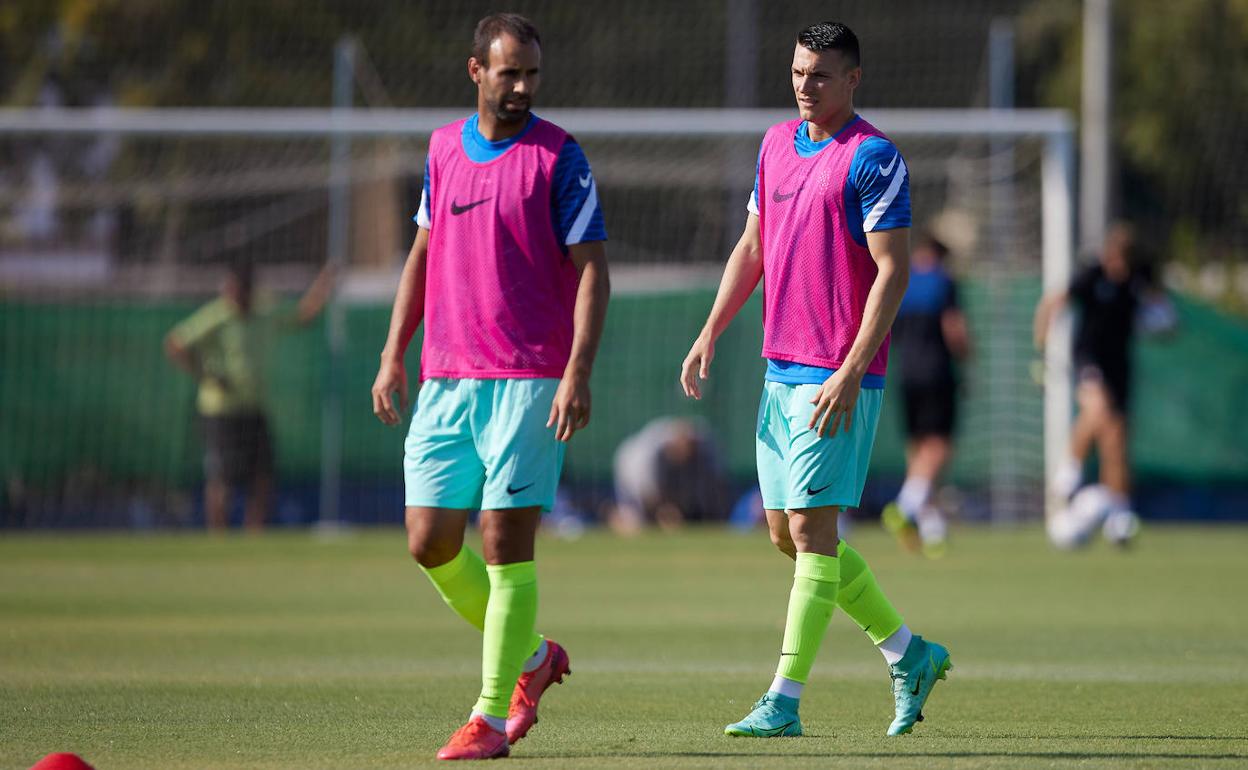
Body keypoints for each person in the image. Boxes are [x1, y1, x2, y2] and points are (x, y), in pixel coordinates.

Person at [680, 21, 952, 738]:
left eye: (822, 74)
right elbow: (752, 245)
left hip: (838, 374)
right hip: (781, 369)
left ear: (853, 78)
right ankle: (908, 653)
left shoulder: (874, 158)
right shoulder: (774, 146)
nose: (806, 85)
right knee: (787, 534)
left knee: (810, 529)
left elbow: (891, 271)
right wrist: (712, 327)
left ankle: (785, 699)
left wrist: (852, 367)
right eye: (799, 71)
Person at [368, 13, 609, 761]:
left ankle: (491, 718)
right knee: (429, 542)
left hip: (530, 377)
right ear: (476, 72)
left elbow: (594, 269)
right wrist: (392, 354)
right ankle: (534, 658)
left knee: (505, 541)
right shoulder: (443, 150)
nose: (522, 87)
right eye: (509, 73)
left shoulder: (559, 158)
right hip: (447, 376)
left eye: (532, 74)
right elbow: (423, 254)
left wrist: (577, 369)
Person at [164, 259, 333, 532]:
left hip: (254, 407)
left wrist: (324, 284)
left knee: (263, 475)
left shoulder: (264, 314)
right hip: (220, 410)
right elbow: (175, 343)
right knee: (222, 478)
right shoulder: (216, 316)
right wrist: (208, 376)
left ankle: (253, 534)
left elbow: (303, 316)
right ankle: (218, 536)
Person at [1033, 222, 1172, 543]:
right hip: (1088, 358)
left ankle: (1119, 512)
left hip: (1119, 363)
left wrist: (1163, 321)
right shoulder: (1092, 274)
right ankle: (1068, 474)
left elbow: (1163, 311)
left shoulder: (1140, 276)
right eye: (1115, 261)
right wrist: (1040, 349)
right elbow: (1053, 302)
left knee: (1116, 437)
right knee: (1098, 408)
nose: (1119, 268)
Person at [881, 235, 971, 557]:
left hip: (905, 373)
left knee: (918, 449)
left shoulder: (902, 282)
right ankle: (905, 507)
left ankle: (931, 529)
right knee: (939, 445)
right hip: (936, 372)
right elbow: (953, 328)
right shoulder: (944, 283)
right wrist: (966, 358)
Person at [611, 417, 731, 532]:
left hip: (652, 477)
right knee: (635, 523)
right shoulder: (645, 460)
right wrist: (665, 511)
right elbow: (649, 497)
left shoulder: (704, 447)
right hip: (630, 476)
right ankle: (613, 516)